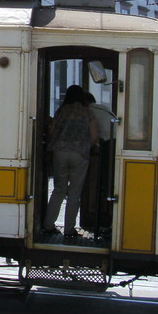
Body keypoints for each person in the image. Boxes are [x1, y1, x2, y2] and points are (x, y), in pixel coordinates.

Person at [43, 85, 99, 239]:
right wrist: (88, 145)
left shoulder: (61, 111)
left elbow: (52, 131)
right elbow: (94, 135)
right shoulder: (87, 112)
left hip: (60, 152)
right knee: (75, 192)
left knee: (59, 190)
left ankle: (48, 225)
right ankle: (69, 229)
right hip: (80, 153)